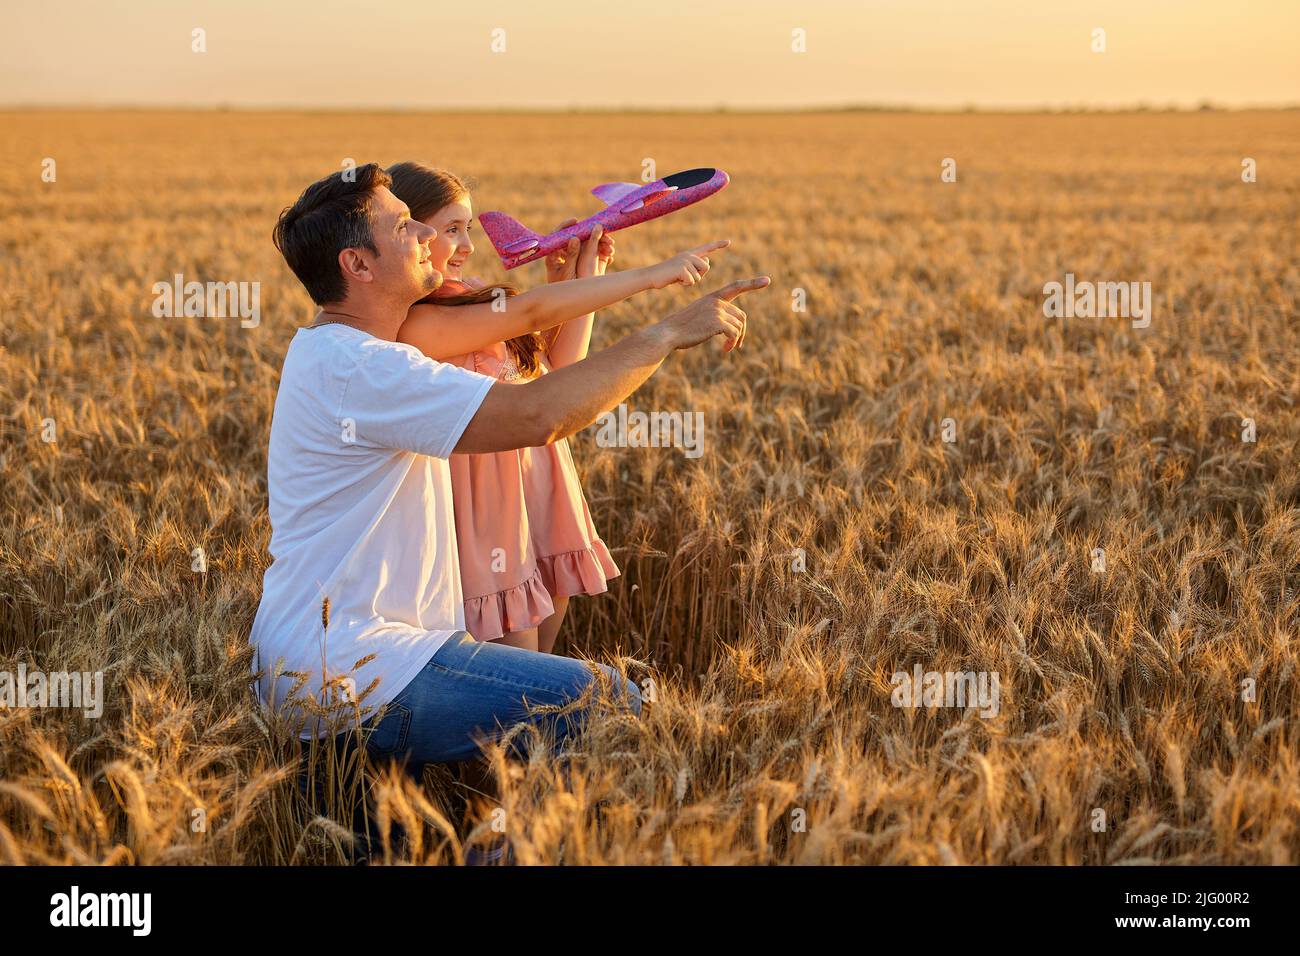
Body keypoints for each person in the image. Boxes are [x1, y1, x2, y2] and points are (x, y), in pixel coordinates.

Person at [251, 162, 768, 858]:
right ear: (358, 263)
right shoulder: (364, 368)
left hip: (337, 668)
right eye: (403, 227)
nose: (425, 239)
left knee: (377, 852)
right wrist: (665, 334)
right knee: (603, 702)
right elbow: (539, 413)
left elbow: (532, 370)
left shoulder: (342, 354)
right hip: (364, 668)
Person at [386, 161, 622, 652]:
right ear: (409, 234)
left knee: (543, 667)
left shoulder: (475, 296)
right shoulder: (417, 324)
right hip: (486, 504)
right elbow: (533, 313)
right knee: (518, 676)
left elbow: (555, 373)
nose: (469, 246)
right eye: (452, 230)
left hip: (539, 477)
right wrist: (565, 292)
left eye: (467, 228)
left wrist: (580, 276)